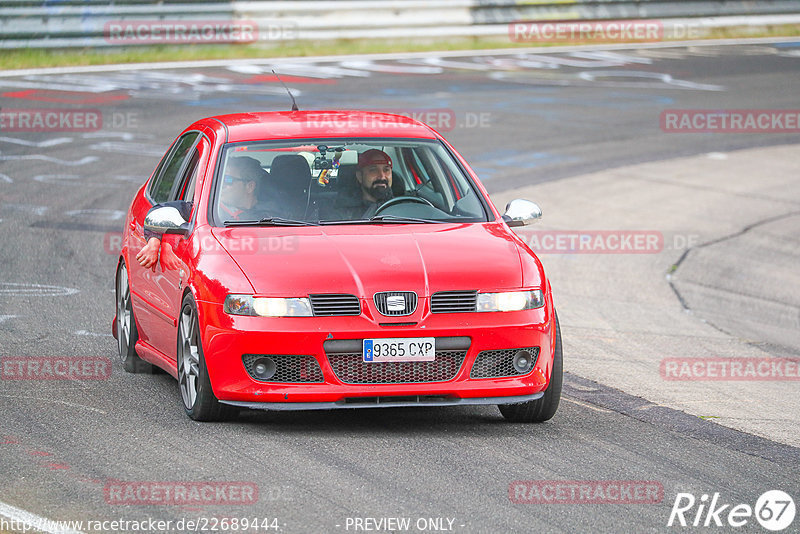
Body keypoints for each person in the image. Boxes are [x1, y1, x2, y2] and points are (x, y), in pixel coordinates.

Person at [136, 156, 271, 270]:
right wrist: (155, 242)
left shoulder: (273, 215)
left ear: (250, 186)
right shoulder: (205, 209)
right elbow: (159, 212)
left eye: (228, 180)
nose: (221, 184)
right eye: (220, 178)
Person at [325, 149, 396, 220]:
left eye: (386, 170)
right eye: (373, 170)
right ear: (359, 176)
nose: (382, 176)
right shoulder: (343, 212)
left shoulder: (400, 206)